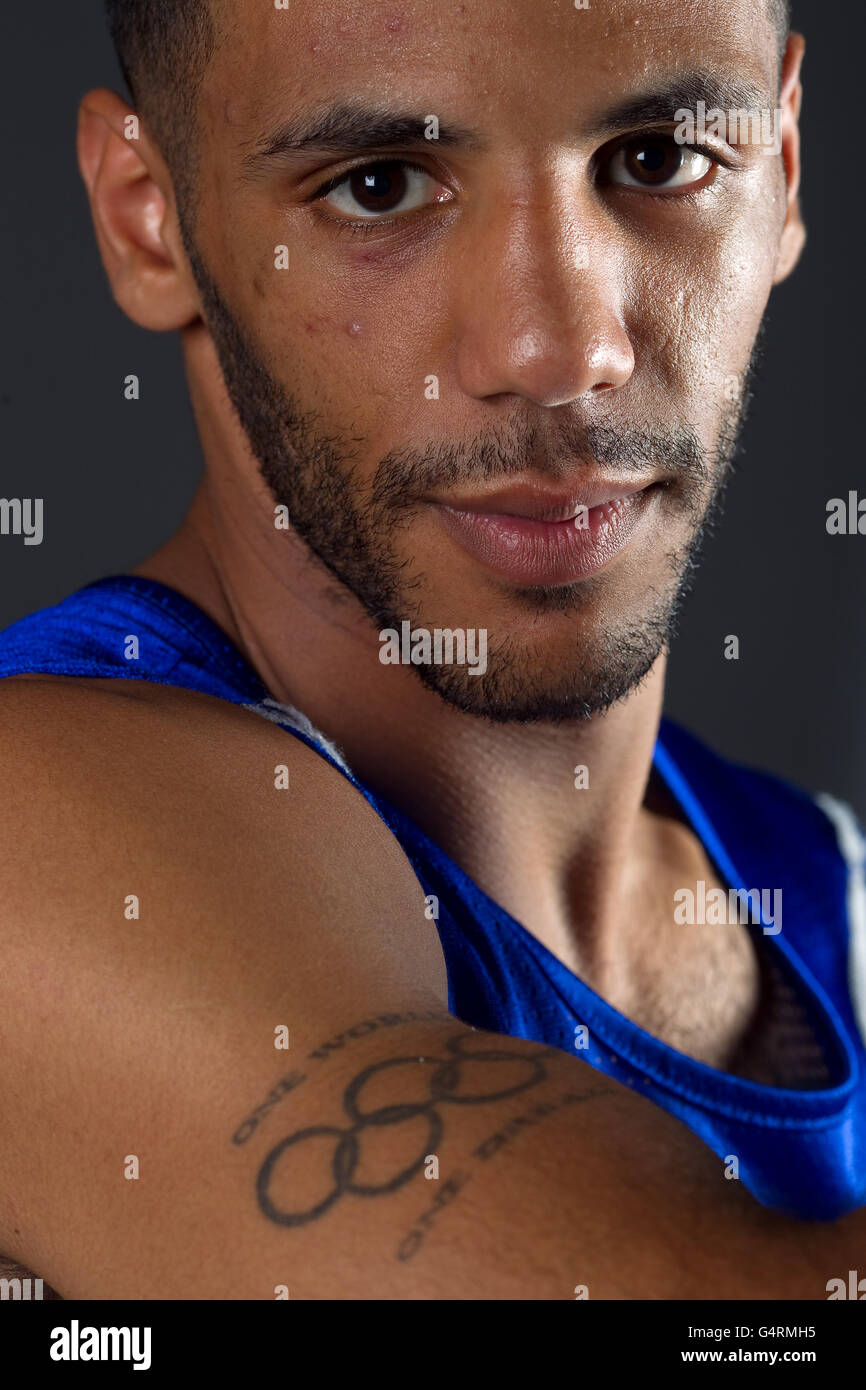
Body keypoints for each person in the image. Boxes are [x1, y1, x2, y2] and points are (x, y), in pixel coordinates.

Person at [0, 0, 863, 1300]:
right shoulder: (32, 841)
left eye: (658, 158)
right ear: (146, 214)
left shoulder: (827, 889)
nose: (565, 350)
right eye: (380, 184)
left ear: (782, 165)